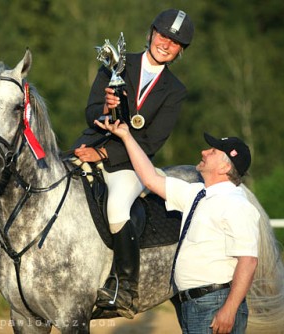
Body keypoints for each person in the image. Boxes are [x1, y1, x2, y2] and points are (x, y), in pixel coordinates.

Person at [71, 9, 194, 319]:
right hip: (90, 144)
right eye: (163, 35)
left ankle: (125, 288)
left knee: (117, 206)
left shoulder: (175, 91)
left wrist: (103, 156)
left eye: (175, 42)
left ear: (180, 51)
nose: (166, 44)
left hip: (131, 164)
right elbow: (90, 113)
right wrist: (105, 107)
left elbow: (151, 142)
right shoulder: (117, 65)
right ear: (151, 33)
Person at [95, 117, 260, 334]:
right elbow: (151, 179)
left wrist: (229, 309)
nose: (203, 152)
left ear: (225, 166)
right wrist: (126, 136)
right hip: (194, 303)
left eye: (212, 151)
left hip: (215, 303)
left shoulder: (237, 205)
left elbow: (248, 262)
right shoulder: (198, 194)